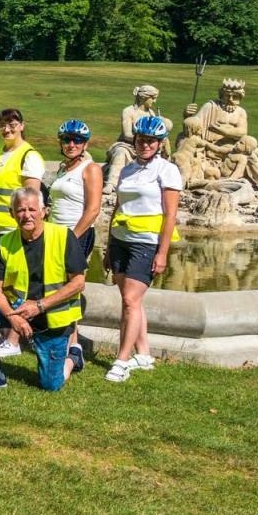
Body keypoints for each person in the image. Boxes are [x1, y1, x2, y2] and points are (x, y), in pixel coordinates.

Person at [0, 188, 89, 393]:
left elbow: (78, 283)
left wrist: (39, 306)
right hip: (17, 310)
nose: (26, 215)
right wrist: (13, 317)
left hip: (52, 316)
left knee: (51, 385)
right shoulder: (5, 242)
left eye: (32, 209)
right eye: (20, 210)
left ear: (44, 211)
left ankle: (74, 357)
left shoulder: (63, 236)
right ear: (12, 214)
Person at [103, 114, 181, 382]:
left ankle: (122, 360)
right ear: (134, 140)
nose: (145, 145)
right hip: (121, 239)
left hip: (146, 243)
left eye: (151, 141)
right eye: (141, 140)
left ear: (159, 144)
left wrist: (162, 252)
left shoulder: (167, 170)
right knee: (132, 301)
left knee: (129, 301)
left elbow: (170, 215)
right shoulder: (127, 169)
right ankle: (144, 354)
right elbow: (117, 208)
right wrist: (109, 247)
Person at [0, 108, 44, 358]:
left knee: (15, 285)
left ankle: (14, 338)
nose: (7, 128)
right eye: (2, 124)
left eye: (12, 123)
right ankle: (3, 333)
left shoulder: (29, 155)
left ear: (22, 125)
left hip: (10, 229)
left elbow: (31, 197)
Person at [46, 119, 102, 364]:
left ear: (85, 144)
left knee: (70, 288)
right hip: (55, 234)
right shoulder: (63, 168)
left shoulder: (90, 169)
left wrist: (71, 238)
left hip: (76, 235)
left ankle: (74, 344)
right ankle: (68, 341)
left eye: (77, 140)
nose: (71, 144)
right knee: (58, 288)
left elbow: (92, 210)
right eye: (67, 140)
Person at [104, 84, 170, 189]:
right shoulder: (129, 111)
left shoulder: (151, 113)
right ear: (144, 97)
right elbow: (126, 135)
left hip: (145, 146)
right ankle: (111, 183)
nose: (154, 101)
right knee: (121, 152)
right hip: (128, 145)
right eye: (152, 98)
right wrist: (141, 139)